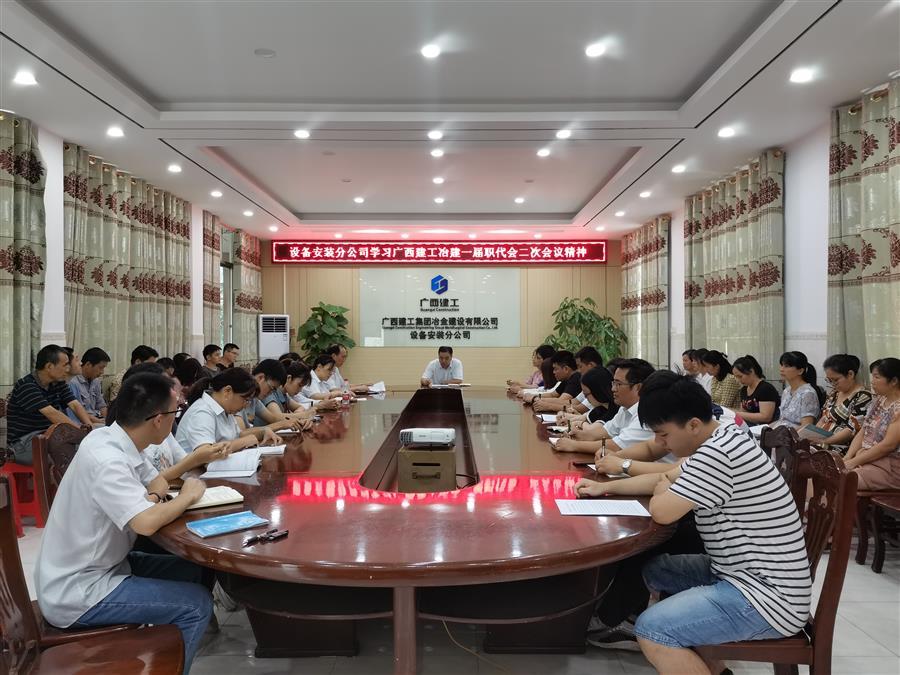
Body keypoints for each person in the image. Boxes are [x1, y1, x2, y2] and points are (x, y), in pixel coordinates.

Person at [580, 371, 811, 672]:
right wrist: (605, 488)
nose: (660, 443)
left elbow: (662, 510)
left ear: (692, 425)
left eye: (664, 434)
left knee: (652, 629)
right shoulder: (722, 437)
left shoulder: (718, 454)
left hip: (767, 598)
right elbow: (664, 477)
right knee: (654, 568)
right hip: (741, 573)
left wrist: (665, 486)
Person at [35, 372, 214, 673]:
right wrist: (187, 496)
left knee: (195, 568)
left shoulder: (115, 439)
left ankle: (164, 647)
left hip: (108, 565)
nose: (176, 418)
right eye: (175, 412)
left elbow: (156, 482)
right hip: (80, 590)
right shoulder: (108, 459)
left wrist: (153, 498)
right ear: (158, 419)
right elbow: (145, 523)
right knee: (196, 605)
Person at [107, 363, 233, 481]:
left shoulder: (161, 433)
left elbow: (180, 465)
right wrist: (196, 459)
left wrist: (207, 455)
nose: (175, 396)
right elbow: (151, 483)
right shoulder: (125, 448)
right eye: (166, 387)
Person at [7, 344, 95, 465]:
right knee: (76, 454)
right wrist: (81, 433)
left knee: (89, 443)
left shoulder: (58, 383)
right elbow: (51, 413)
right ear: (49, 366)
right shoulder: (26, 385)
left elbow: (75, 405)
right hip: (23, 444)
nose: (68, 369)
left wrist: (90, 429)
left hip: (49, 435)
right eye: (65, 365)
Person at [553, 358, 655, 455]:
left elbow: (616, 446)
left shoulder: (647, 413)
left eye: (618, 384)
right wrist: (578, 435)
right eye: (613, 383)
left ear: (638, 387)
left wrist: (575, 445)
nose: (613, 389)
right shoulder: (624, 409)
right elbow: (601, 433)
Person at [175, 368, 279, 455]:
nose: (245, 406)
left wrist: (263, 431)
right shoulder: (202, 412)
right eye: (245, 399)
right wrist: (244, 441)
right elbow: (206, 453)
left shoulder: (225, 410)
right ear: (227, 391)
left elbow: (237, 435)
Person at [844, 358, 900, 490]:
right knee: (830, 472)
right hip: (868, 459)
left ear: (894, 381)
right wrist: (847, 457)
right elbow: (864, 431)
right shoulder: (879, 400)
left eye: (877, 377)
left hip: (890, 467)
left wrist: (853, 462)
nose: (872, 381)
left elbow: (888, 446)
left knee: (843, 480)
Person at [814, 354, 873, 450]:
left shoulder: (863, 396)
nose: (833, 384)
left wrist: (824, 441)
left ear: (850, 374)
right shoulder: (834, 393)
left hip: (840, 447)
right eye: (829, 380)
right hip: (821, 441)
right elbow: (824, 418)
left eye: (835, 380)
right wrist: (813, 434)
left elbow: (852, 430)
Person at [773, 351, 824, 429]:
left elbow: (806, 427)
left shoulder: (808, 393)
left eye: (786, 366)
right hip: (780, 432)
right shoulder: (786, 391)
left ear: (800, 371)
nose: (781, 369)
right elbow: (781, 420)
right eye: (781, 365)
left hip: (794, 435)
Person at [732, 355, 780, 425]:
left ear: (751, 371)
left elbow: (766, 417)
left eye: (740, 376)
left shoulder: (765, 388)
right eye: (736, 377)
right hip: (751, 425)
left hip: (767, 427)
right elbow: (744, 412)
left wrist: (737, 413)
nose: (738, 380)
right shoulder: (744, 389)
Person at [69, 347, 111, 425]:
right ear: (88, 364)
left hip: (97, 419)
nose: (102, 372)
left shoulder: (96, 381)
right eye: (100, 368)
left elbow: (101, 405)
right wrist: (100, 422)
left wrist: (108, 420)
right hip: (84, 422)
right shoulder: (73, 383)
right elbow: (77, 412)